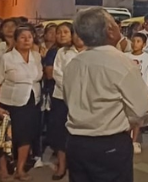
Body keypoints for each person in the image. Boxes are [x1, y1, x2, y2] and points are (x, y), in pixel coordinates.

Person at [63, 7, 148, 182]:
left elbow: (69, 100)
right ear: (109, 30)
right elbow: (142, 108)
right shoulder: (121, 62)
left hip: (76, 143)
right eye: (113, 22)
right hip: (109, 142)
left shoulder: (74, 64)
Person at [0, 26, 43, 181]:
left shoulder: (36, 56)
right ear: (15, 40)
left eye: (30, 36)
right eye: (22, 37)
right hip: (10, 102)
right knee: (5, 136)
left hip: (31, 101)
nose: (27, 40)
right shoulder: (6, 58)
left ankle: (20, 169)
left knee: (26, 136)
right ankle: (2, 169)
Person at [48, 24, 85, 180]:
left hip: (85, 99)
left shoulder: (91, 53)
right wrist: (72, 89)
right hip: (62, 97)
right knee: (61, 133)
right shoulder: (62, 52)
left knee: (80, 133)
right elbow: (57, 74)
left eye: (67, 32)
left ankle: (79, 165)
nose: (76, 37)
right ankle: (62, 165)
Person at [125, 33, 148, 154]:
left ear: (144, 44)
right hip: (127, 90)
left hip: (140, 92)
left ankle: (134, 140)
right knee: (127, 117)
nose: (134, 44)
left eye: (138, 41)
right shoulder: (125, 56)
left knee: (137, 118)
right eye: (133, 41)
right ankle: (126, 140)